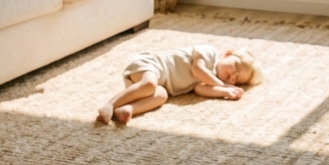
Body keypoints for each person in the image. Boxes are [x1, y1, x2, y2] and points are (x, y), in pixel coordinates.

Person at [97, 44, 263, 125]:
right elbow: (198, 70)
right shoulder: (209, 53)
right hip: (152, 64)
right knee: (149, 84)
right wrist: (223, 84)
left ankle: (127, 109)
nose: (232, 76)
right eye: (235, 67)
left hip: (160, 84)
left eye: (237, 79)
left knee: (161, 95)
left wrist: (223, 92)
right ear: (227, 54)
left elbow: (200, 88)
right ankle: (110, 105)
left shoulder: (211, 78)